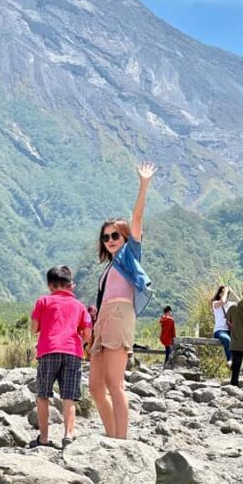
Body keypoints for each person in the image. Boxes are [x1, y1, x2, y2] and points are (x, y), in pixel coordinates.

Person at [89, 161, 156, 440]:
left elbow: (137, 219)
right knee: (95, 386)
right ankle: (112, 434)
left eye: (115, 235)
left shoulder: (130, 256)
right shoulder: (109, 268)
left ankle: (121, 441)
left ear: (125, 237)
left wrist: (143, 185)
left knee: (115, 384)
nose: (110, 240)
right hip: (104, 319)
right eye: (106, 237)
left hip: (120, 315)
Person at [30, 265, 92, 449]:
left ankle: (44, 438)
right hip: (72, 352)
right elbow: (87, 333)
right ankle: (68, 435)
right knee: (69, 397)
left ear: (50, 285)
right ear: (70, 285)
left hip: (48, 350)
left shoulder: (43, 301)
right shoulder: (80, 306)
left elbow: (34, 328)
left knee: (43, 395)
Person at [211, 285, 238, 368]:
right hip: (219, 331)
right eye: (222, 292)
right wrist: (225, 291)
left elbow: (241, 303)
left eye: (226, 293)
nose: (225, 294)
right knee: (227, 339)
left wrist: (232, 291)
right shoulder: (215, 303)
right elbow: (222, 301)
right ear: (219, 294)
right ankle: (230, 360)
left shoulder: (230, 304)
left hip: (230, 330)